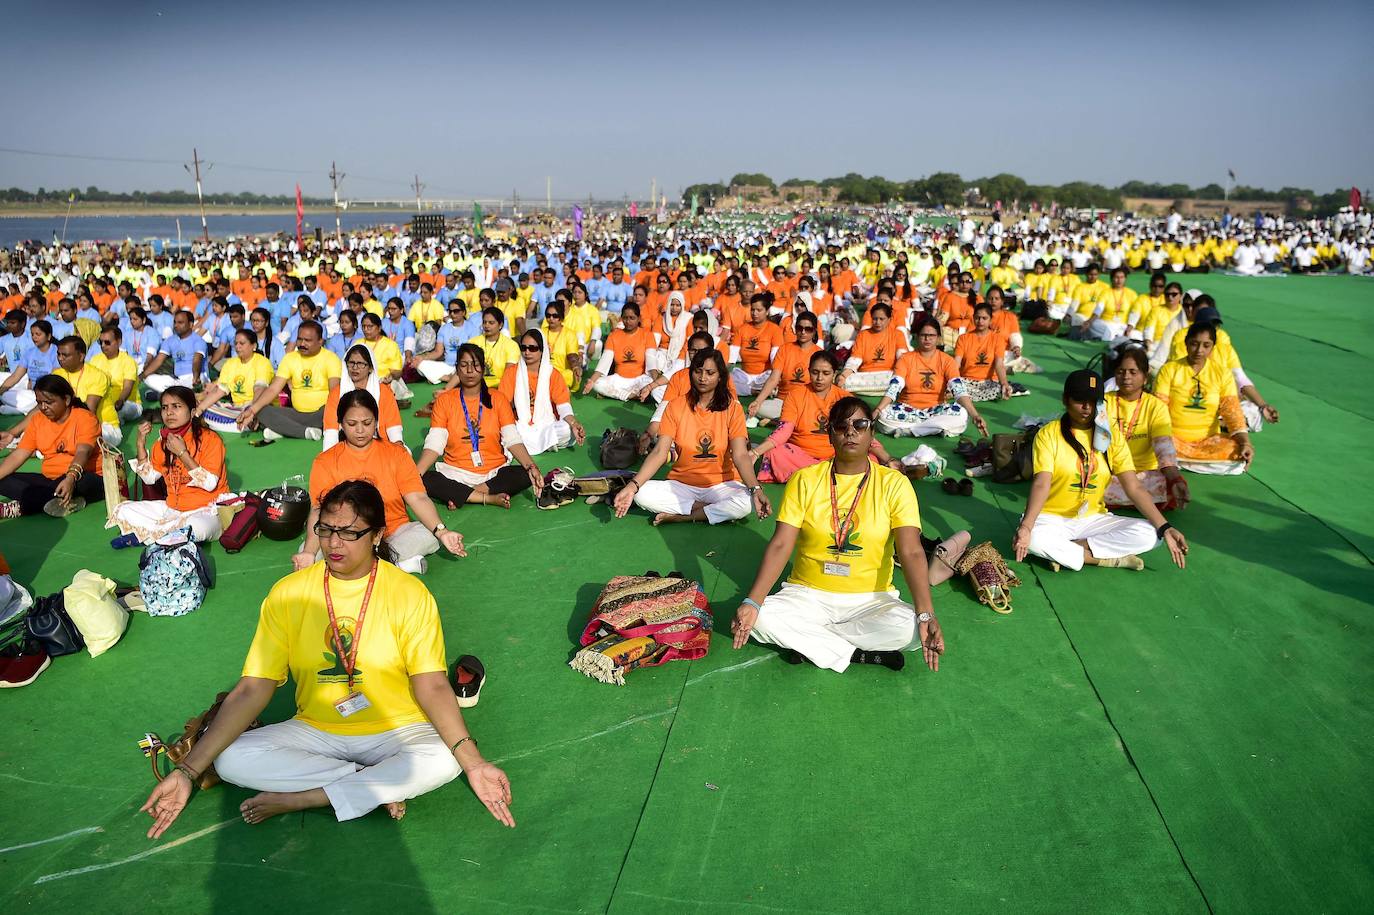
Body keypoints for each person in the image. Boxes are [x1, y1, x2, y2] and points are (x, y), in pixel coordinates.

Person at [139, 480, 514, 835]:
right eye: (325, 529)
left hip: (398, 728)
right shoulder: (289, 593)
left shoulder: (409, 593)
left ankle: (309, 797)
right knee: (231, 759)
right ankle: (373, 786)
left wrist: (475, 763)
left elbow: (431, 683)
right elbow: (254, 687)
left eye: (350, 532)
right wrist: (187, 772)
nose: (335, 543)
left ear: (378, 535)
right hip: (318, 730)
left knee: (446, 759)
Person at [730, 396, 944, 674]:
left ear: (872, 434)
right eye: (841, 426)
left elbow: (912, 551)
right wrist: (752, 601)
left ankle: (812, 643)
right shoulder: (805, 479)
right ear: (830, 434)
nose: (851, 431)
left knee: (911, 628)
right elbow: (782, 543)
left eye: (860, 424)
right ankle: (857, 653)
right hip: (807, 595)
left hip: (871, 599)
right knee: (760, 618)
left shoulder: (895, 484)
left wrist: (926, 614)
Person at [1013, 370, 1189, 572]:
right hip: (1051, 518)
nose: (1087, 408)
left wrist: (1165, 527)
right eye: (1079, 400)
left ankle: (1070, 552)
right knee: (1034, 539)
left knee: (1151, 534)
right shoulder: (1049, 434)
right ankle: (1105, 559)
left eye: (1093, 401)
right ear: (1065, 399)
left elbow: (1133, 486)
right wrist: (1026, 526)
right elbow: (1042, 483)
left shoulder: (1109, 435)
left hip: (1092, 519)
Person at [296, 391, 465, 575]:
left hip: (393, 533)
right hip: (345, 536)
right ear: (341, 425)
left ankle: (359, 570)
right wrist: (308, 552)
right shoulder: (325, 461)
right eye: (352, 424)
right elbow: (318, 510)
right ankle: (395, 567)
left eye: (367, 423)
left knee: (427, 534)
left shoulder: (396, 454)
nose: (360, 430)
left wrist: (442, 531)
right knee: (309, 552)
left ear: (376, 421)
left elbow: (417, 497)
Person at [612, 348, 769, 526]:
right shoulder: (675, 406)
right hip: (683, 484)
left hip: (722, 484)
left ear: (720, 377)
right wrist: (632, 486)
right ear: (691, 373)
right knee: (641, 494)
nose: (703, 378)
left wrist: (755, 489)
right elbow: (659, 452)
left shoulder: (732, 408)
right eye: (698, 371)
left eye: (710, 373)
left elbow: (740, 455)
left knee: (746, 503)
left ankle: (683, 515)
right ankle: (706, 509)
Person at [416, 343, 543, 509]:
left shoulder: (498, 399)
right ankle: (488, 498)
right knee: (427, 479)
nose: (470, 370)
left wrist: (531, 466)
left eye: (475, 365)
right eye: (464, 365)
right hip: (456, 473)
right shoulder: (444, 401)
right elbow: (435, 443)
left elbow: (512, 439)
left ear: (483, 369)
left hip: (494, 472)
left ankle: (467, 494)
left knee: (524, 474)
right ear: (457, 369)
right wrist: (416, 474)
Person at [111, 386, 230, 545]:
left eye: (177, 406)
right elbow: (149, 478)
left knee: (197, 526)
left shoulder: (210, 439)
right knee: (124, 510)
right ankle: (169, 536)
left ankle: (149, 535)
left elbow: (209, 484)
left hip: (206, 510)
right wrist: (140, 444)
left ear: (193, 411)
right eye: (165, 407)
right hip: (173, 510)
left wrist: (182, 454)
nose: (169, 412)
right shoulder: (163, 442)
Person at [1153, 323, 1254, 475]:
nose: (1199, 350)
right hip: (1174, 438)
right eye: (1194, 344)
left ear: (1213, 347)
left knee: (1235, 452)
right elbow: (1158, 410)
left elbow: (1232, 412)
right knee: (1156, 446)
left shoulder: (1222, 373)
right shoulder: (1169, 370)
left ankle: (1175, 462)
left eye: (1206, 345)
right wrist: (1163, 438)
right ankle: (1176, 460)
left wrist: (1245, 443)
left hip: (1208, 441)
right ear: (1186, 343)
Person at [0, 375, 104, 519]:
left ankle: (21, 508)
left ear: (66, 400)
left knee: (82, 482)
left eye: (49, 402)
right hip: (50, 479)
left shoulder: (85, 418)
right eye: (39, 403)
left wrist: (70, 478)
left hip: (84, 476)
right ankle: (64, 500)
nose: (43, 408)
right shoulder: (37, 420)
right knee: (4, 479)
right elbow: (19, 455)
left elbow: (83, 451)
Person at [1102, 347, 1190, 509]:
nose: (1126, 377)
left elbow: (1164, 449)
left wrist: (1175, 479)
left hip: (1142, 474)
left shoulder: (1156, 406)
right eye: (1121, 371)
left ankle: (1117, 499)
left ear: (1144, 377)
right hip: (1108, 471)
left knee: (1165, 485)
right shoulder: (1103, 402)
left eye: (1133, 372)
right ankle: (1135, 501)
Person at [874, 318, 988, 438]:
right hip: (907, 410)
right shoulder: (905, 359)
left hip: (936, 411)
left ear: (938, 338)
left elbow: (959, 391)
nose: (927, 339)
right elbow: (894, 388)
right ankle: (933, 429)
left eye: (931, 335)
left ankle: (911, 431)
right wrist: (878, 409)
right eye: (923, 335)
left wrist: (975, 415)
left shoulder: (947, 360)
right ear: (917, 337)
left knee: (961, 414)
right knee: (883, 416)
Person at [750, 350, 845, 483]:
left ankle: (811, 476)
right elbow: (784, 430)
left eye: (826, 373)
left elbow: (860, 433)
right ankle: (825, 476)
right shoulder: (795, 394)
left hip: (834, 456)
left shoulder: (844, 398)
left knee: (868, 458)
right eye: (815, 372)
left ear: (834, 374)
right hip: (799, 455)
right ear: (808, 371)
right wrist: (756, 452)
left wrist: (884, 456)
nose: (819, 378)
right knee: (775, 453)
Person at [237, 321, 342, 441]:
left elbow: (335, 393)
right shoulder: (290, 358)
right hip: (296, 413)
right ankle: (303, 432)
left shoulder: (331, 359)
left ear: (320, 342)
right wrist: (251, 410)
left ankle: (285, 429)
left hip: (321, 414)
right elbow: (273, 389)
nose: (302, 344)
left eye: (307, 340)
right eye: (299, 339)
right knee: (261, 409)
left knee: (330, 411)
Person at [497, 329, 585, 455]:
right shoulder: (512, 373)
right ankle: (546, 444)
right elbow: (502, 405)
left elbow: (563, 406)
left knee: (566, 430)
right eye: (524, 348)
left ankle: (521, 445)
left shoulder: (552, 374)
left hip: (547, 425)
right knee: (503, 430)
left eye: (532, 348)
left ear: (542, 350)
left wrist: (574, 423)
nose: (527, 352)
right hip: (520, 426)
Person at [321, 344, 404, 450]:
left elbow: (393, 426)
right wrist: (329, 454)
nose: (355, 368)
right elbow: (331, 430)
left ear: (370, 368)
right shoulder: (336, 393)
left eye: (360, 364)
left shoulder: (383, 391)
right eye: (351, 363)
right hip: (347, 447)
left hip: (381, 444)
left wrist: (398, 445)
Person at [747, 311, 821, 424]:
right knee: (760, 408)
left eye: (808, 329)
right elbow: (773, 378)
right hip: (783, 401)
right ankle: (785, 420)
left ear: (815, 331)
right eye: (799, 328)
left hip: (807, 403)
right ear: (795, 328)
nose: (803, 332)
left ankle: (779, 420)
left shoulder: (819, 354)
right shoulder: (785, 349)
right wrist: (758, 401)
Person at [197, 328, 275, 433]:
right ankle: (239, 424)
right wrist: (200, 409)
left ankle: (241, 422)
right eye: (236, 343)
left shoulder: (262, 362)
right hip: (236, 408)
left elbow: (259, 389)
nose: (237, 347)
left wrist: (252, 411)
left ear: (254, 346)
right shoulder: (230, 363)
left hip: (254, 405)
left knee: (260, 411)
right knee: (205, 406)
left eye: (242, 343)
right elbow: (220, 391)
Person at [582, 301, 655, 400]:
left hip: (640, 379)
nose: (628, 321)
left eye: (632, 318)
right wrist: (592, 381)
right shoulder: (614, 335)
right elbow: (605, 361)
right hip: (619, 379)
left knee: (651, 383)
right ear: (621, 318)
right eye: (625, 318)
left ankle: (628, 394)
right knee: (598, 384)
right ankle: (632, 396)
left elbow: (651, 363)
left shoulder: (647, 334)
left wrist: (656, 383)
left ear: (638, 319)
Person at [837, 302, 905, 393]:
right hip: (865, 376)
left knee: (900, 379)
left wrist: (901, 374)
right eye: (875, 319)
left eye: (882, 319)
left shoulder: (897, 334)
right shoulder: (863, 335)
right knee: (844, 381)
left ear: (889, 319)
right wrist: (845, 375)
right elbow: (855, 359)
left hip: (888, 375)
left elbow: (902, 358)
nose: (877, 322)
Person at [953, 304, 1012, 401]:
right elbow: (956, 364)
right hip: (967, 381)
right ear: (973, 318)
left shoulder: (998, 339)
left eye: (984, 318)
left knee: (1002, 389)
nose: (980, 321)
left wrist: (1004, 383)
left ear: (990, 319)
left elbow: (999, 365)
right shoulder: (963, 338)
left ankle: (965, 396)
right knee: (955, 388)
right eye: (977, 318)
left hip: (989, 382)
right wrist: (951, 381)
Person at [89, 325, 144, 427]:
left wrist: (120, 401)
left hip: (127, 403)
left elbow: (127, 387)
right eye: (100, 342)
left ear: (119, 342)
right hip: (105, 403)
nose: (103, 346)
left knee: (122, 408)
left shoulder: (128, 361)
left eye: (107, 342)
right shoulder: (95, 360)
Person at [728, 294, 784, 396]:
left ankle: (757, 389)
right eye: (752, 310)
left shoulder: (775, 330)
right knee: (724, 380)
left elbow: (775, 359)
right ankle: (753, 391)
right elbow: (732, 357)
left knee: (773, 379)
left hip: (764, 376)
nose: (754, 313)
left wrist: (775, 378)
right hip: (744, 376)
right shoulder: (742, 329)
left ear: (767, 311)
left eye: (759, 310)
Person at [141, 310, 207, 394]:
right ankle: (175, 393)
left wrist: (196, 378)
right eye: (175, 322)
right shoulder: (170, 340)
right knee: (149, 379)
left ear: (190, 324)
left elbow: (197, 360)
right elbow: (158, 360)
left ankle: (171, 393)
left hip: (196, 377)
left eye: (180, 323)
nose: (176, 325)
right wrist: (142, 376)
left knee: (188, 384)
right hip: (177, 380)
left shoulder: (198, 341)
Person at [0, 319, 57, 415]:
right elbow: (15, 377)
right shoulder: (30, 353)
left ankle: (19, 410)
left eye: (38, 334)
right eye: (32, 334)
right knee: (4, 395)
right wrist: (1, 391)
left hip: (48, 394)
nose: (34, 337)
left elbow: (54, 379)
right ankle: (27, 410)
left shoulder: (56, 352)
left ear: (48, 336)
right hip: (31, 394)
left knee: (45, 401)